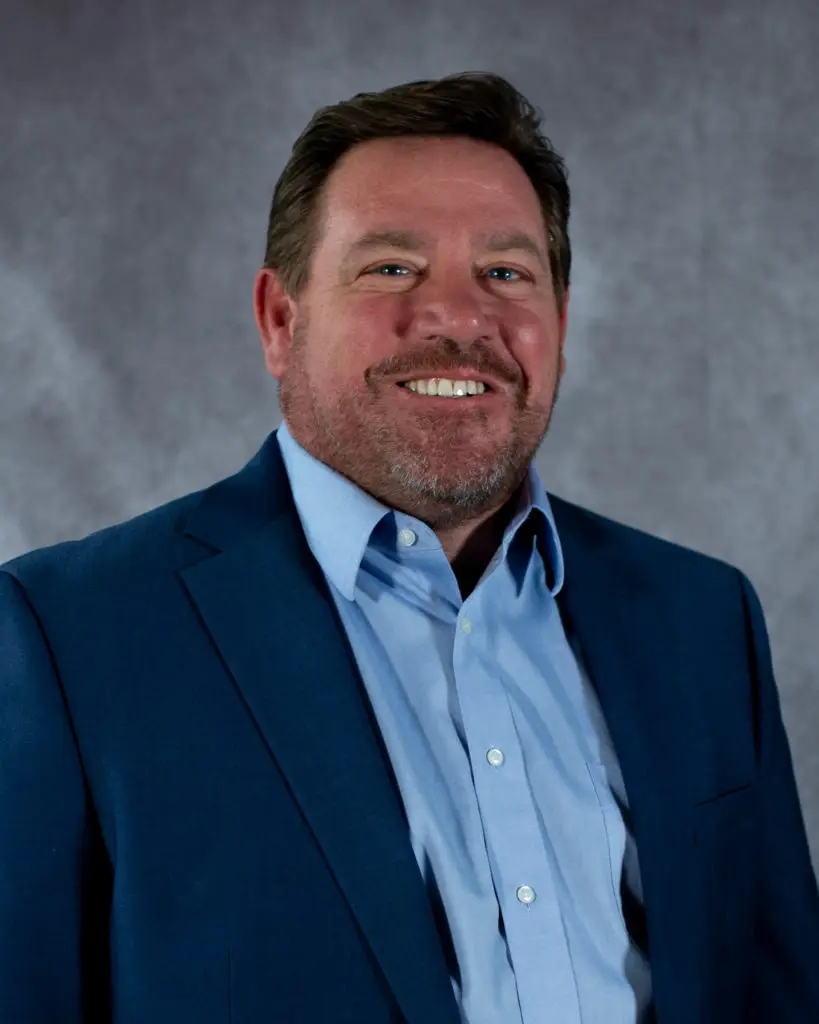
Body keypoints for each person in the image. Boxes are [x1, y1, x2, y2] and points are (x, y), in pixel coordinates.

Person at [1, 71, 818, 1024]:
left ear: (556, 321)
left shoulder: (700, 617)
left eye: (505, 274)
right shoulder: (70, 635)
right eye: (391, 268)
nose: (457, 318)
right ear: (279, 320)